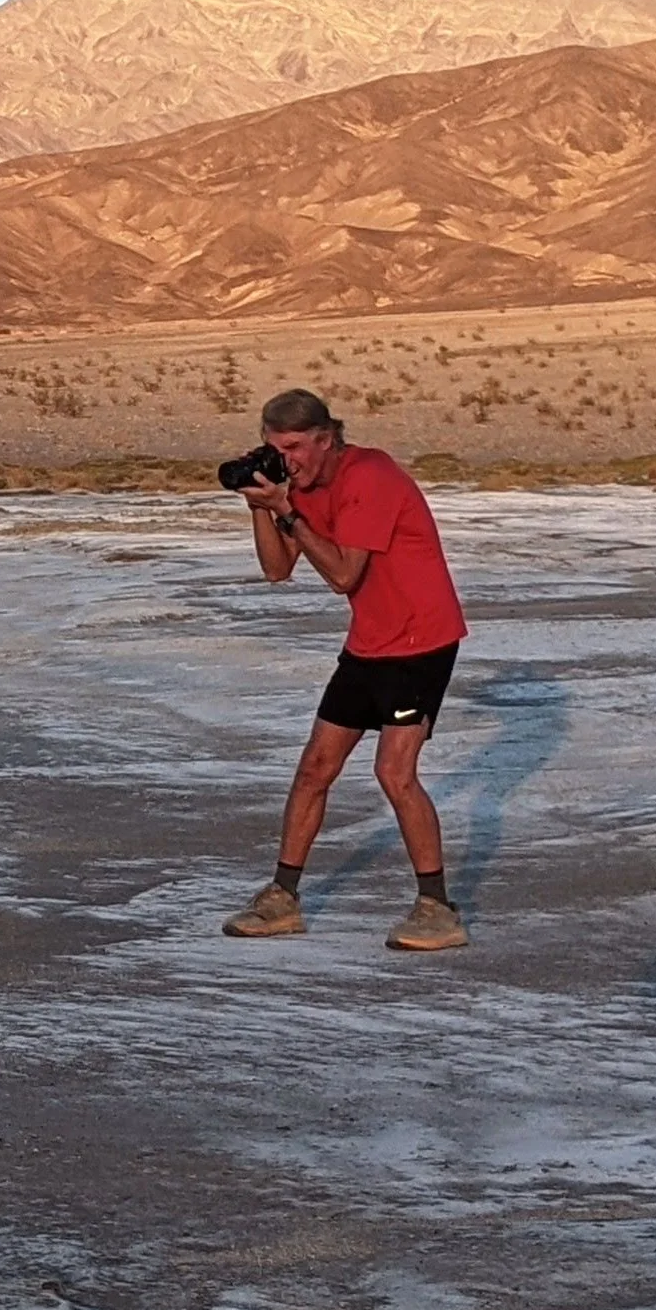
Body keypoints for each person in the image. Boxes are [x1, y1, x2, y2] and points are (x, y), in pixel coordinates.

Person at [222, 389, 471, 951]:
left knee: (394, 772)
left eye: (293, 448)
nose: (285, 461)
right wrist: (260, 508)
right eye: (273, 449)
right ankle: (282, 898)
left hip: (420, 640)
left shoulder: (369, 476)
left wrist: (288, 512)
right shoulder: (304, 489)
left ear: (325, 438)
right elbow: (277, 570)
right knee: (316, 766)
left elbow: (343, 575)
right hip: (370, 642)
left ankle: (438, 909)